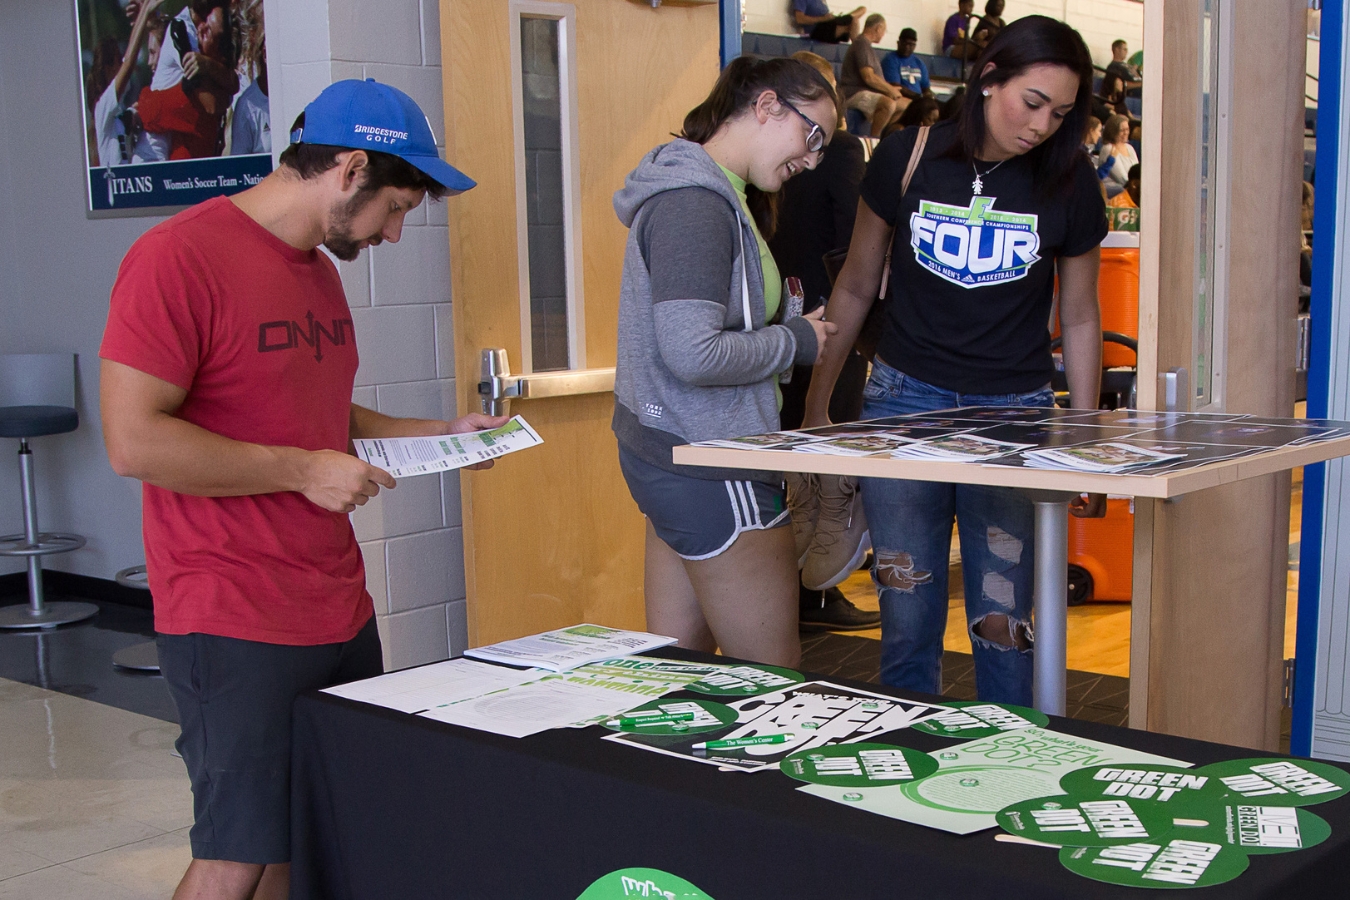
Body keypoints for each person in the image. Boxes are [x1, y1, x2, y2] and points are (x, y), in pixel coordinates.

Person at [100, 79, 495, 900]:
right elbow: (134, 439)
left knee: (302, 842)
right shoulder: (178, 257)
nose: (392, 233)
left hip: (335, 604)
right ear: (349, 168)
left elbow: (314, 415)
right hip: (230, 611)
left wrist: (441, 437)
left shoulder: (316, 271)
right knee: (235, 850)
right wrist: (301, 471)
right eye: (395, 207)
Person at [802, 15, 1108, 705]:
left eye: (1060, 114)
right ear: (988, 77)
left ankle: (1006, 769)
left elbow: (1082, 314)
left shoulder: (1069, 179)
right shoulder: (908, 156)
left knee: (1004, 623)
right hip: (904, 402)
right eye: (1032, 103)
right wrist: (821, 403)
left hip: (1016, 415)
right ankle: (905, 770)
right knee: (906, 614)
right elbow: (854, 283)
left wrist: (1084, 436)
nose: (1042, 127)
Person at [611, 57, 838, 667]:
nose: (812, 161)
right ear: (766, 107)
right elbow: (693, 351)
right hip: (711, 460)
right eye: (812, 136)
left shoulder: (710, 193)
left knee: (683, 678)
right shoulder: (696, 203)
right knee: (774, 688)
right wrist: (798, 340)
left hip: (674, 452)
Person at [770, 52, 878, 631]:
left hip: (777, 313)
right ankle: (816, 590)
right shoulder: (839, 150)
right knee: (826, 462)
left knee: (793, 455)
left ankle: (801, 587)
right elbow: (854, 242)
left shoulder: (763, 161)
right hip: (830, 316)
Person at [136, 0, 239, 159]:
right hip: (156, 143)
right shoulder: (182, 29)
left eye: (209, 31)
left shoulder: (213, 21)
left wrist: (207, 65)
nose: (203, 30)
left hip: (179, 131)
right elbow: (213, 103)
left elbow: (232, 85)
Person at [839, 14, 904, 138]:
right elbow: (868, 77)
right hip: (853, 93)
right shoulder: (861, 44)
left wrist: (891, 91)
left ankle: (888, 138)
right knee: (888, 104)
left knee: (907, 106)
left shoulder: (867, 46)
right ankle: (875, 141)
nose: (883, 34)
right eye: (884, 30)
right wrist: (890, 90)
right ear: (878, 28)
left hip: (866, 92)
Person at [881, 28, 933, 103]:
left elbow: (926, 87)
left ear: (915, 46)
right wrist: (919, 97)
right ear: (898, 43)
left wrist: (929, 95)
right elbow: (896, 87)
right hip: (901, 99)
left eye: (911, 44)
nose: (907, 47)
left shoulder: (919, 63)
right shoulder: (890, 60)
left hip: (918, 101)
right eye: (905, 43)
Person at [791, 0, 867, 43]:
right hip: (817, 29)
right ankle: (857, 48)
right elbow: (800, 19)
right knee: (854, 21)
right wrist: (823, 19)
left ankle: (857, 46)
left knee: (860, 12)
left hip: (829, 23)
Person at [1100, 114, 1137, 198]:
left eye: (1127, 129)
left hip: (1132, 189)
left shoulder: (1129, 148)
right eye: (1122, 130)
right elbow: (1122, 179)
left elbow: (1136, 172)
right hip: (1116, 193)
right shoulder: (1108, 149)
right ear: (1113, 131)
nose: (1126, 133)